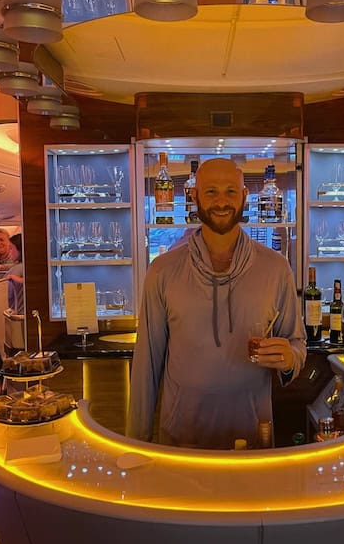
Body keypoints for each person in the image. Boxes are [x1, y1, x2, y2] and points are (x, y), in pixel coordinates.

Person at [127, 158, 306, 449]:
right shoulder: (163, 270)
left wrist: (289, 359)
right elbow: (146, 362)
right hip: (181, 437)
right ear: (194, 196)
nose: (221, 202)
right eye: (211, 192)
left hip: (251, 433)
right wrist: (137, 441)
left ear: (245, 196)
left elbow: (296, 344)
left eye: (230, 192)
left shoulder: (276, 268)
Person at [6, 233, 24, 314]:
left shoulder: (17, 269)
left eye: (11, 248)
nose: (9, 252)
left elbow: (6, 294)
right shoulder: (24, 266)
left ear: (20, 249)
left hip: (17, 312)